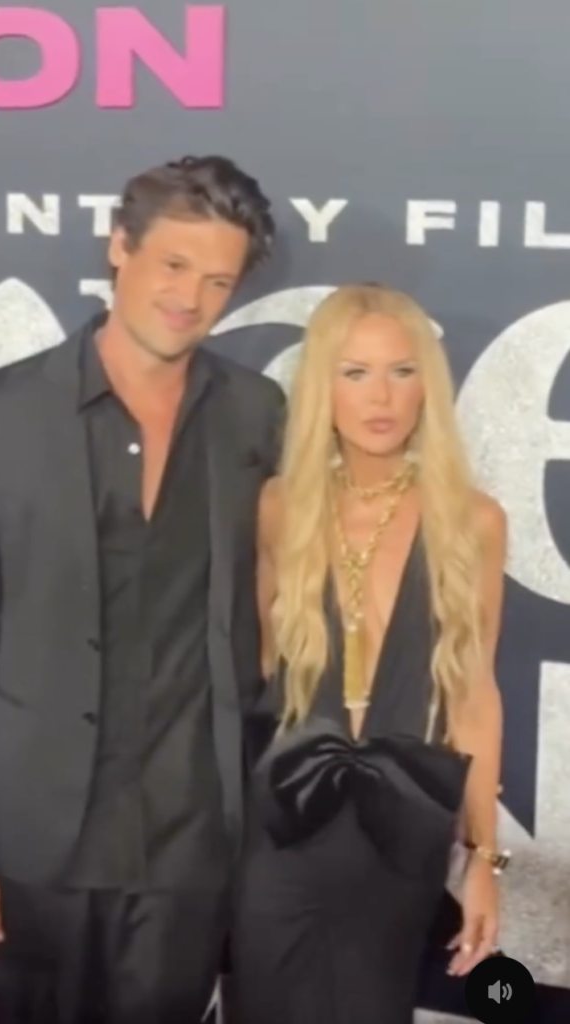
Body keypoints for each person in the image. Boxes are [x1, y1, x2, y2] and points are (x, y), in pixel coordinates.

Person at [0, 155, 285, 1023]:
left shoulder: (257, 412)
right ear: (120, 245)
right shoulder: (0, 410)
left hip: (191, 847)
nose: (190, 298)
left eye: (218, 281)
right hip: (32, 842)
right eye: (173, 265)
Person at [230, 284, 509, 1024]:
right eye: (355, 373)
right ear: (323, 389)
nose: (381, 397)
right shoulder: (279, 506)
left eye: (401, 371)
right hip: (285, 819)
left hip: (401, 828)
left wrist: (484, 860)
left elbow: (474, 697)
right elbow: (266, 665)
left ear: (427, 386)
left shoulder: (474, 522)